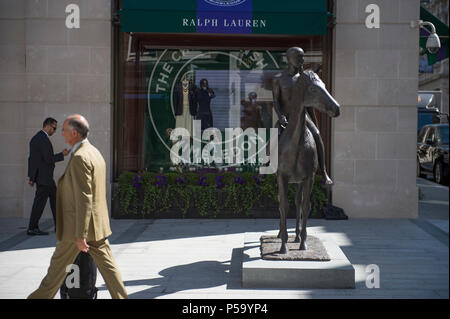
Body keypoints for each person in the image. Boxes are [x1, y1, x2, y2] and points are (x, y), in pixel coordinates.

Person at [28, 114, 128, 299]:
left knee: (54, 274)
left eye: (64, 130)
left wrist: (80, 235)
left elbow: (85, 198)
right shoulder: (94, 152)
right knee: (110, 270)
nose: (62, 134)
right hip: (96, 227)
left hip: (77, 230)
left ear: (74, 133)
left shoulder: (80, 157)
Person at [272, 47, 333, 185]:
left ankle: (323, 172)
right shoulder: (278, 79)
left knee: (316, 135)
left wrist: (314, 122)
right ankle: (267, 167)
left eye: (302, 57)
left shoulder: (305, 79)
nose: (302, 60)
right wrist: (280, 116)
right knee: (274, 136)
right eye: (298, 57)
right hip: (286, 117)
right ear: (289, 59)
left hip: (302, 118)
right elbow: (275, 101)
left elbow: (309, 102)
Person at [27, 117, 70, 235]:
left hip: (44, 178)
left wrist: (32, 177)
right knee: (39, 204)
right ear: (47, 125)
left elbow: (33, 160)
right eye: (54, 128)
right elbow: (48, 159)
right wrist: (62, 154)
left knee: (55, 200)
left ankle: (58, 226)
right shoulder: (42, 139)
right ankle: (32, 228)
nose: (55, 131)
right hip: (44, 178)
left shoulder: (36, 138)